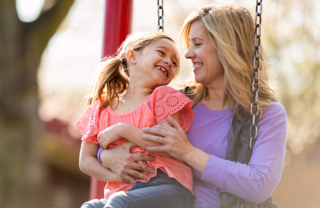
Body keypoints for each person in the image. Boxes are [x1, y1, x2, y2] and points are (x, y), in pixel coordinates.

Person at [97, 4, 287, 208]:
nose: (187, 54)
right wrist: (104, 156)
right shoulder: (176, 104)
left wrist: (186, 152)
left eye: (197, 44)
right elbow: (125, 132)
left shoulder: (266, 114)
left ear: (226, 47)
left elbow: (258, 185)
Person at [75, 31, 195, 208]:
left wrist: (124, 130)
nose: (169, 62)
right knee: (89, 206)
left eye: (175, 63)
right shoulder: (101, 106)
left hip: (167, 186)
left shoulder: (164, 97)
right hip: (124, 190)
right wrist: (117, 176)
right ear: (132, 56)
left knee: (120, 202)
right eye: (161, 53)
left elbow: (167, 144)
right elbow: (86, 160)